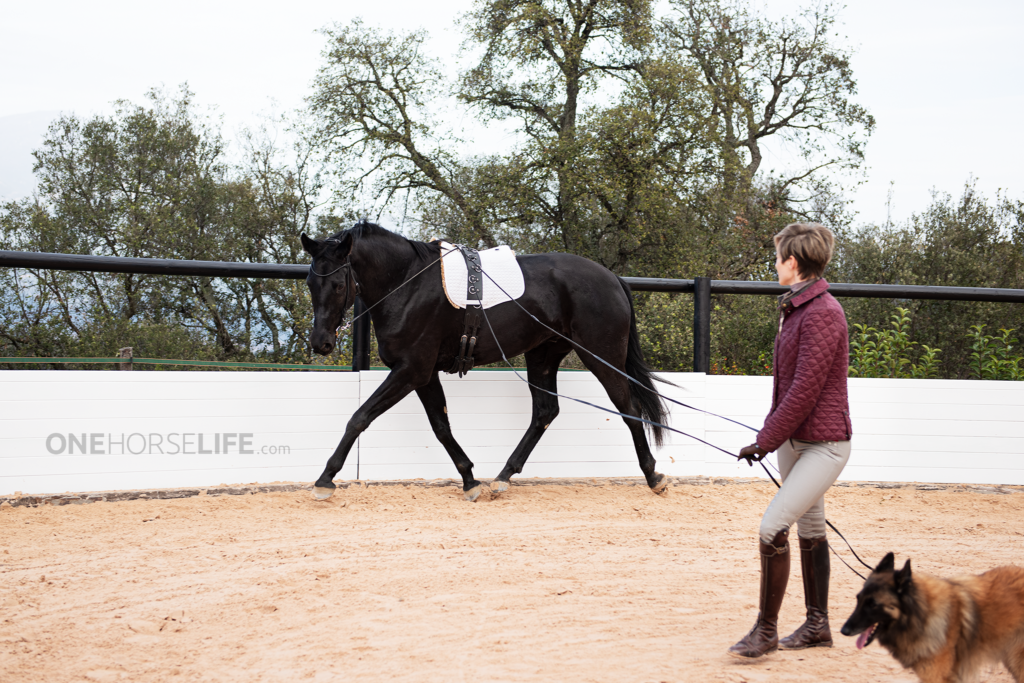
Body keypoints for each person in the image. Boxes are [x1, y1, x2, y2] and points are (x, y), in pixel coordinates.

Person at [728, 222, 853, 659]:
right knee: (811, 529)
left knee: (772, 528)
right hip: (795, 442)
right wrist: (772, 438)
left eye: (778, 257)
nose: (775, 264)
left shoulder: (822, 313)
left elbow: (804, 390)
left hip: (825, 445)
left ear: (793, 262)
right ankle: (818, 625)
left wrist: (763, 439)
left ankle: (765, 631)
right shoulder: (797, 308)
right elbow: (788, 390)